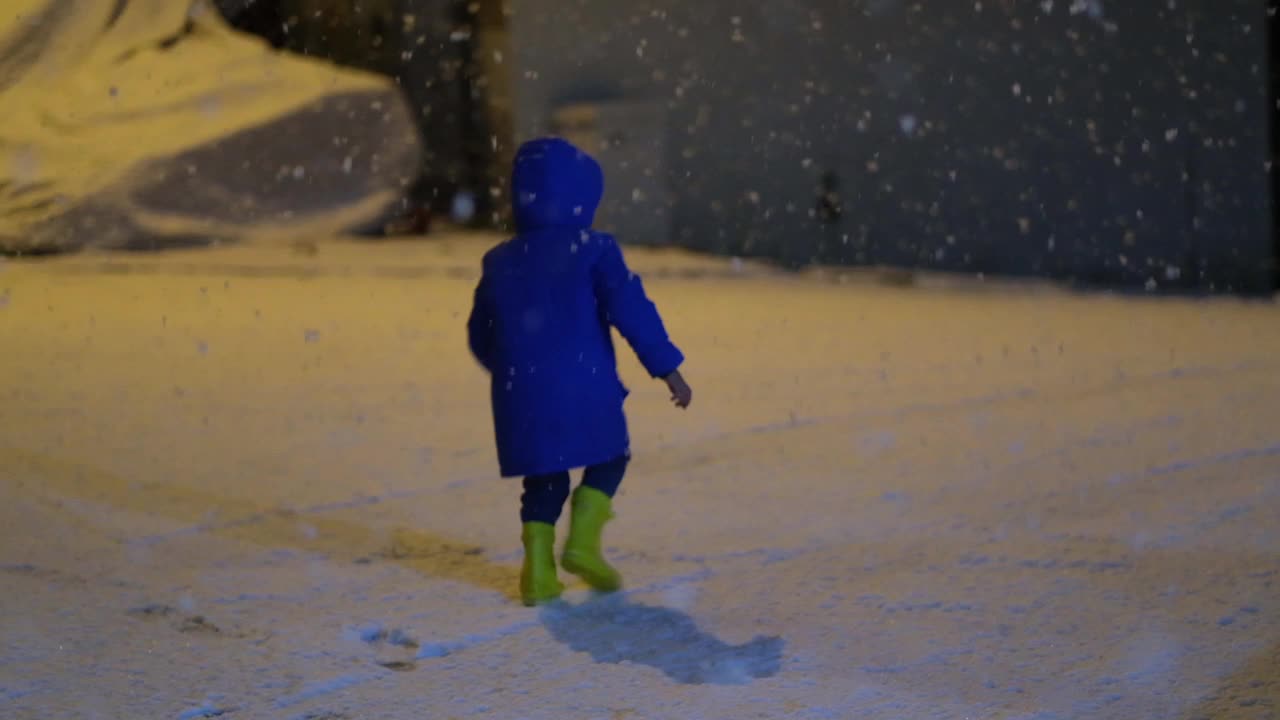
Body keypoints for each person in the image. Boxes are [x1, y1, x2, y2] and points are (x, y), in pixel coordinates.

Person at [467, 137, 693, 606]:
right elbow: (632, 309)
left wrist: (513, 373)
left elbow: (480, 332)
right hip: (585, 384)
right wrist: (666, 366)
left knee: (544, 475)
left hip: (521, 393)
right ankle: (584, 542)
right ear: (582, 200)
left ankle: (538, 571)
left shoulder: (500, 260)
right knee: (610, 456)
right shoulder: (595, 250)